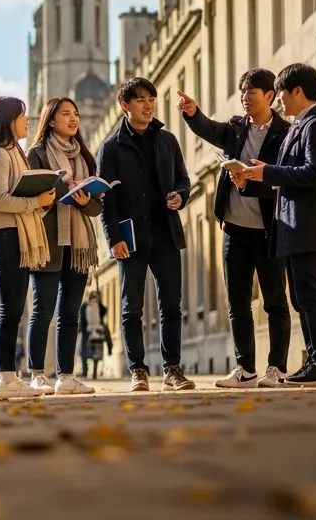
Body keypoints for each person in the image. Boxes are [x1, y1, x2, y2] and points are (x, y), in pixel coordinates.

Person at [177, 69, 293, 389]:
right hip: (234, 231)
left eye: (251, 92)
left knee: (275, 302)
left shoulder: (285, 134)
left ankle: (277, 368)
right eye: (242, 92)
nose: (244, 97)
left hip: (270, 230)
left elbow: (285, 179)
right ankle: (245, 369)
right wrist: (193, 113)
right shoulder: (236, 128)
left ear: (269, 96)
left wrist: (250, 182)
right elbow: (209, 129)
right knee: (238, 304)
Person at [227, 63, 316, 387]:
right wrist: (255, 177)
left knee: (310, 295)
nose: (278, 99)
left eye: (281, 93)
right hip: (293, 225)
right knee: (301, 298)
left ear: (298, 91)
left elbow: (314, 173)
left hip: (309, 224)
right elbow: (287, 176)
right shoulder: (299, 126)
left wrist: (267, 172)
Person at [97, 78, 195, 392]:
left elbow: (183, 180)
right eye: (140, 100)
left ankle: (172, 369)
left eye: (151, 99)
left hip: (166, 233)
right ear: (124, 106)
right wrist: (114, 238)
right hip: (131, 238)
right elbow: (106, 199)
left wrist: (181, 196)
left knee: (171, 306)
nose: (148, 105)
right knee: (131, 309)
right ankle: (137, 370)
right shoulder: (110, 148)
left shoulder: (167, 140)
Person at [0, 96, 57, 399]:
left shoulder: (12, 154)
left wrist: (42, 199)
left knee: (7, 312)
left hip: (9, 236)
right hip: (5, 237)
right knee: (11, 312)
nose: (27, 122)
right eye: (23, 116)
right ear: (9, 120)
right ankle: (8, 378)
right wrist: (36, 201)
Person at [23, 97, 104, 395]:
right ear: (51, 120)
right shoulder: (36, 154)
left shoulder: (85, 157)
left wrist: (84, 200)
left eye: (76, 114)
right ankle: (37, 375)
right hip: (48, 241)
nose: (73, 119)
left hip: (79, 244)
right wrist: (58, 191)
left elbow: (96, 208)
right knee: (43, 311)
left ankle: (66, 376)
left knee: (70, 314)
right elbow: (30, 200)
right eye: (66, 114)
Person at [78, 291, 112, 379]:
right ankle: (85, 371)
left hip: (97, 332)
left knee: (96, 353)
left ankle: (95, 372)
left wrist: (99, 303)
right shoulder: (85, 306)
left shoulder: (99, 307)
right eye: (92, 297)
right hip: (86, 332)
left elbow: (104, 311)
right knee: (84, 352)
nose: (94, 299)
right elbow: (81, 318)